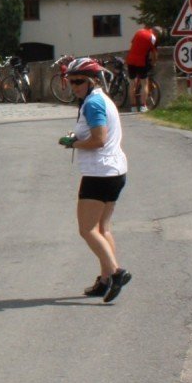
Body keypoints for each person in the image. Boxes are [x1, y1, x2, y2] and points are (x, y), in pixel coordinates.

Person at [57, 57, 130, 301]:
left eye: (79, 81)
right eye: (71, 81)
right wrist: (75, 136)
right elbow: (93, 132)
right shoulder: (99, 100)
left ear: (92, 81)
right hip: (114, 171)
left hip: (99, 174)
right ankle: (105, 280)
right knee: (102, 228)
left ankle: (116, 272)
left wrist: (75, 144)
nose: (74, 86)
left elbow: (99, 139)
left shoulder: (93, 104)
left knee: (87, 230)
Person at [126, 23, 159, 112]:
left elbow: (133, 44)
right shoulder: (153, 37)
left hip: (130, 60)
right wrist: (154, 62)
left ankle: (133, 107)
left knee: (132, 83)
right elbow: (154, 53)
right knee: (144, 83)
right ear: (156, 33)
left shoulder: (139, 31)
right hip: (141, 62)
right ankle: (143, 106)